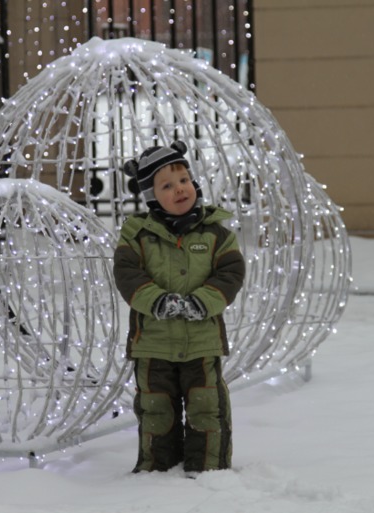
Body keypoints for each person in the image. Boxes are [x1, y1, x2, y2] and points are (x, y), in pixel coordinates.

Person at [113, 140, 246, 475]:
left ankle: (209, 467)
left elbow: (231, 272)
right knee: (156, 409)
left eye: (184, 180)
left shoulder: (216, 233)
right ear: (151, 196)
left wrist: (204, 301)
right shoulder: (136, 235)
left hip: (202, 342)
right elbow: (127, 274)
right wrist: (156, 300)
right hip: (152, 344)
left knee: (207, 407)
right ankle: (157, 470)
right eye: (167, 186)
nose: (180, 189)